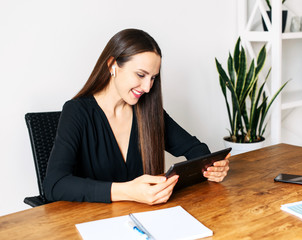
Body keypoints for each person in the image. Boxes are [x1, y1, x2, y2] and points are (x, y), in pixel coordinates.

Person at [43, 28, 230, 205]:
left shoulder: (148, 112)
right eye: (141, 75)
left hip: (146, 220)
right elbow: (54, 184)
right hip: (93, 224)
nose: (148, 88)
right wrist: (127, 191)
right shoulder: (77, 112)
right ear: (112, 65)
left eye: (153, 78)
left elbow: (197, 150)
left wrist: (213, 168)